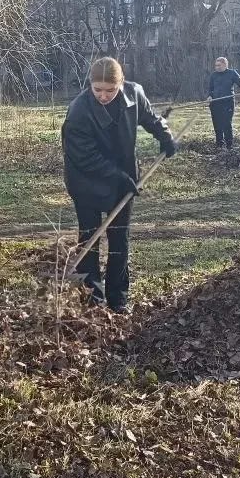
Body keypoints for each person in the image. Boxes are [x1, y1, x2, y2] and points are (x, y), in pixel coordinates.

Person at [61, 57, 175, 313]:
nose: (103, 96)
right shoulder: (78, 111)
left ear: (121, 83)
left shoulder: (134, 94)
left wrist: (165, 136)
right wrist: (118, 176)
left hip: (122, 178)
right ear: (90, 85)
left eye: (110, 90)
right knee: (89, 237)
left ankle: (118, 299)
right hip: (85, 180)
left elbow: (151, 118)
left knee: (119, 238)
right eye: (98, 90)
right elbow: (84, 157)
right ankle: (93, 299)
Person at [207, 57, 240, 150]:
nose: (217, 67)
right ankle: (219, 144)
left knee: (227, 123)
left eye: (219, 65)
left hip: (228, 102)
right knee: (217, 124)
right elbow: (210, 88)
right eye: (216, 65)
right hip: (215, 103)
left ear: (225, 65)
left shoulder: (232, 73)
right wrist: (210, 96)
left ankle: (229, 145)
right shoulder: (213, 75)